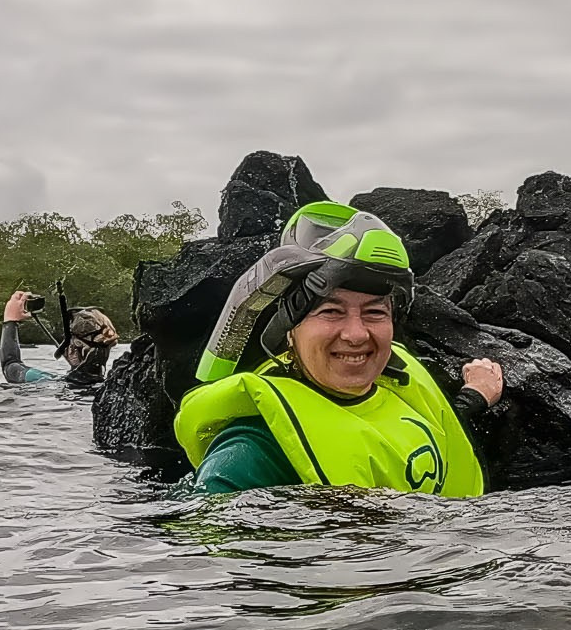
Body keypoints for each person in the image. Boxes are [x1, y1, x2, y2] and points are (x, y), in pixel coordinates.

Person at [173, 204, 504, 496]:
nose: (357, 335)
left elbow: (422, 434)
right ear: (288, 330)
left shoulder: (399, 381)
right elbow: (201, 554)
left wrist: (474, 395)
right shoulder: (253, 453)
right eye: (330, 312)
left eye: (375, 312)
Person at [0, 290, 118, 386]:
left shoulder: (50, 382)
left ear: (71, 350)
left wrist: (10, 320)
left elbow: (10, 366)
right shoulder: (116, 385)